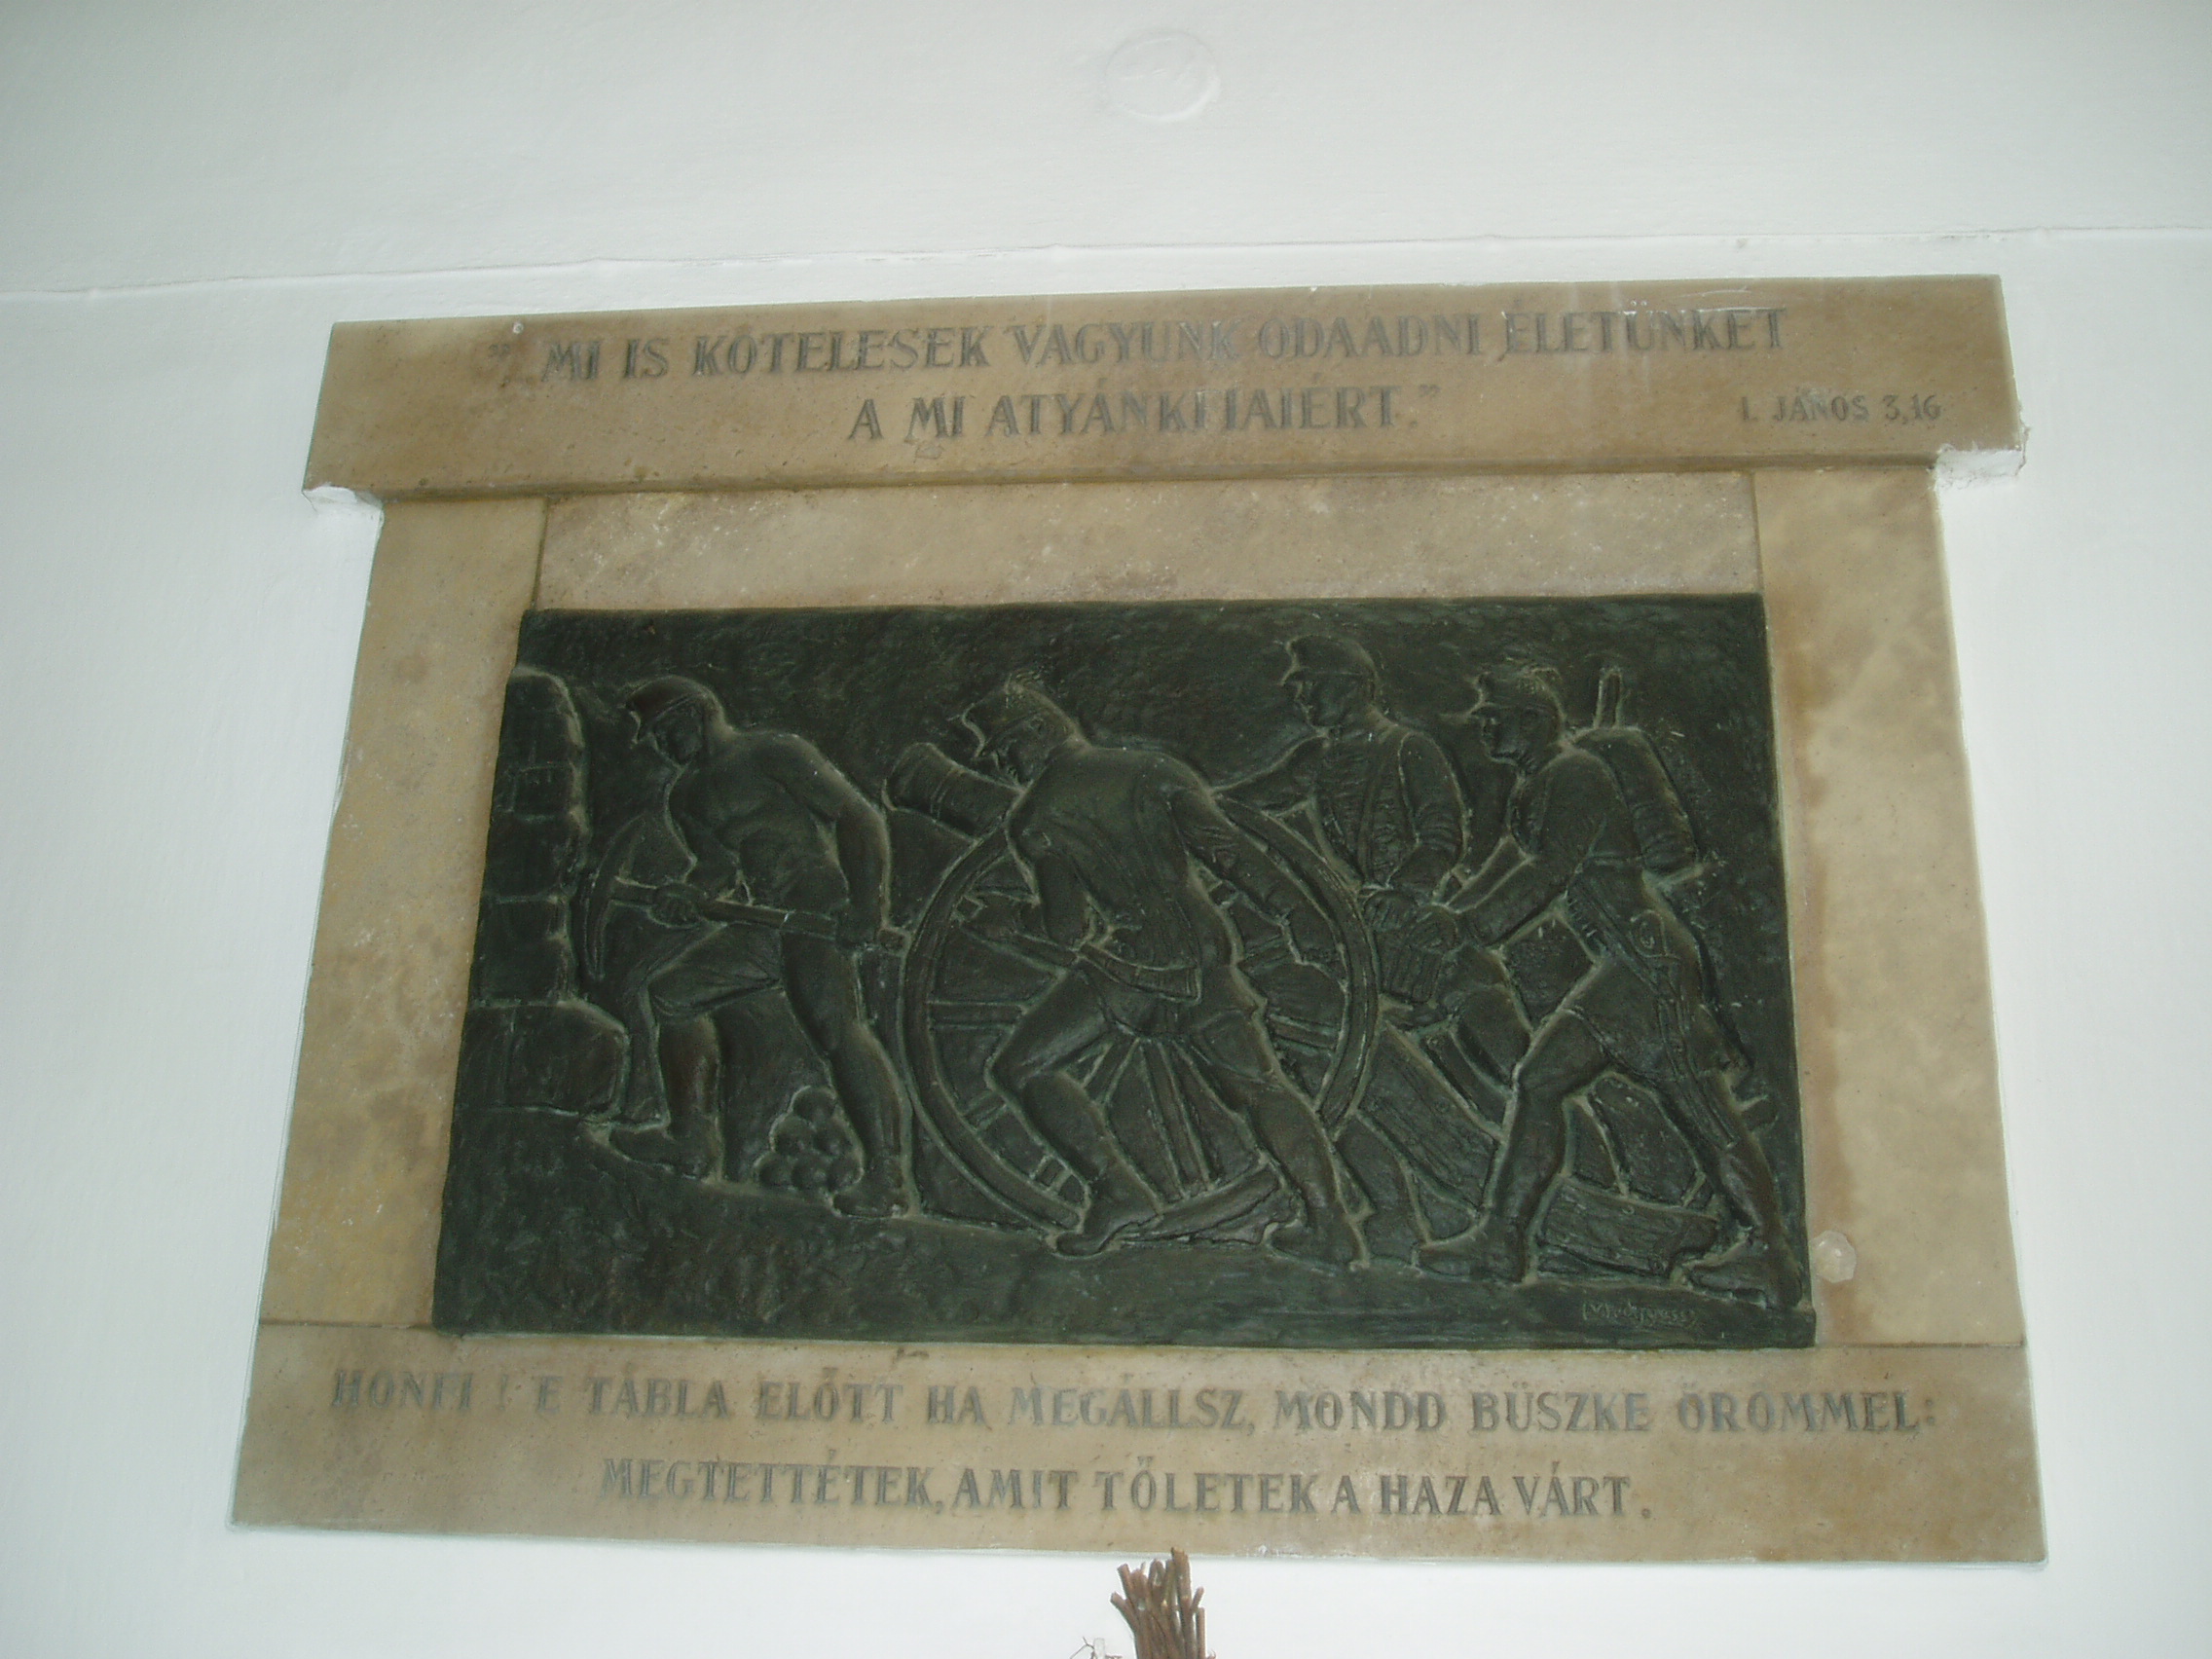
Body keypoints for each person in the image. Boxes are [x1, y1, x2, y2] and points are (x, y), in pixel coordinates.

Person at [1419, 666, 1803, 1307]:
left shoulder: (1577, 775)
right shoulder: (1539, 782)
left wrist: (1475, 930)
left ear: (1533, 723)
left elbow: (1551, 870)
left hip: (1646, 967)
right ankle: (1503, 1242)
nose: (1484, 728)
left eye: (1494, 718)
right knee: (1541, 1081)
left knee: (1705, 1112)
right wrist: (1452, 918)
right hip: (1622, 968)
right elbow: (1513, 859)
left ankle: (1772, 1254)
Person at [970, 676, 1364, 1263]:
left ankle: (1119, 1190)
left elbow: (1067, 929)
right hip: (1199, 958)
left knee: (1022, 1067)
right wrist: (1295, 912)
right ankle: (1329, 1222)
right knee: (1260, 1089)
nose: (1003, 764)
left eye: (1007, 747)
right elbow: (1227, 852)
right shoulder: (1152, 770)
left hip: (1128, 969)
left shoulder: (1035, 819)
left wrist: (1009, 921)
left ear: (1040, 730)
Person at [1232, 636, 1531, 1257]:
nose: (1298, 691)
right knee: (1336, 1069)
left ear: (1354, 686)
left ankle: (1568, 1181)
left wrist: (1405, 892)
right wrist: (1180, 806)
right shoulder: (1318, 758)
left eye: (1310, 680)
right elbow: (1249, 804)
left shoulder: (1408, 748)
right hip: (1365, 942)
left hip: (1429, 947)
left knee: (1519, 1078)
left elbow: (1442, 836)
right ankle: (1391, 1211)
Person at [607, 676, 911, 1217]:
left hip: (815, 909)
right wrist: (689, 893)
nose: (662, 745)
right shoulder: (686, 796)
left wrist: (867, 905)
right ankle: (691, 1141)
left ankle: (888, 1178)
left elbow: (855, 816)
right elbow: (718, 867)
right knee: (672, 995)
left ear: (698, 712)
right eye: (654, 738)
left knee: (835, 1029)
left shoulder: (774, 754)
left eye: (666, 730)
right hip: (763, 919)